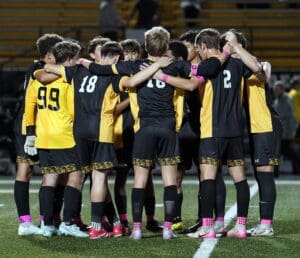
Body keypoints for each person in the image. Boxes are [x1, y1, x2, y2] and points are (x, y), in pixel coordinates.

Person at [157, 28, 262, 239]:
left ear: (203, 47)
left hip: (211, 130)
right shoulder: (238, 64)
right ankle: (241, 227)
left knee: (208, 178)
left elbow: (188, 83)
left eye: (199, 48)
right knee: (239, 179)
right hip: (234, 131)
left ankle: (207, 227)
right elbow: (257, 67)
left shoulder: (204, 67)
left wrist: (162, 75)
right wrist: (237, 49)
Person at [221, 29, 282, 237]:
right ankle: (261, 224)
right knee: (259, 174)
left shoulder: (260, 64)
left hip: (265, 125)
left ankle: (266, 225)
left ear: (240, 44)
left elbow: (263, 76)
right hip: (254, 127)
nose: (225, 45)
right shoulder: (234, 67)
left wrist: (236, 47)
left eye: (228, 41)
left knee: (265, 175)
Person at [24, 40, 88, 238]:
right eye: (76, 58)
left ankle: (47, 224)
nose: (78, 61)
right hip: (64, 135)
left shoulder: (38, 79)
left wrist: (30, 134)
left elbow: (29, 105)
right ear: (68, 60)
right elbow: (74, 111)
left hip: (43, 136)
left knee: (49, 179)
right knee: (76, 176)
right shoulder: (69, 80)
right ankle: (68, 222)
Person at [13, 33, 63, 236]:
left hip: (44, 126)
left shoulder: (47, 67)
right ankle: (24, 222)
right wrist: (70, 70)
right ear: (50, 54)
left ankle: (46, 221)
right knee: (25, 171)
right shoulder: (37, 68)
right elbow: (43, 77)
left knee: (51, 174)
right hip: (27, 125)